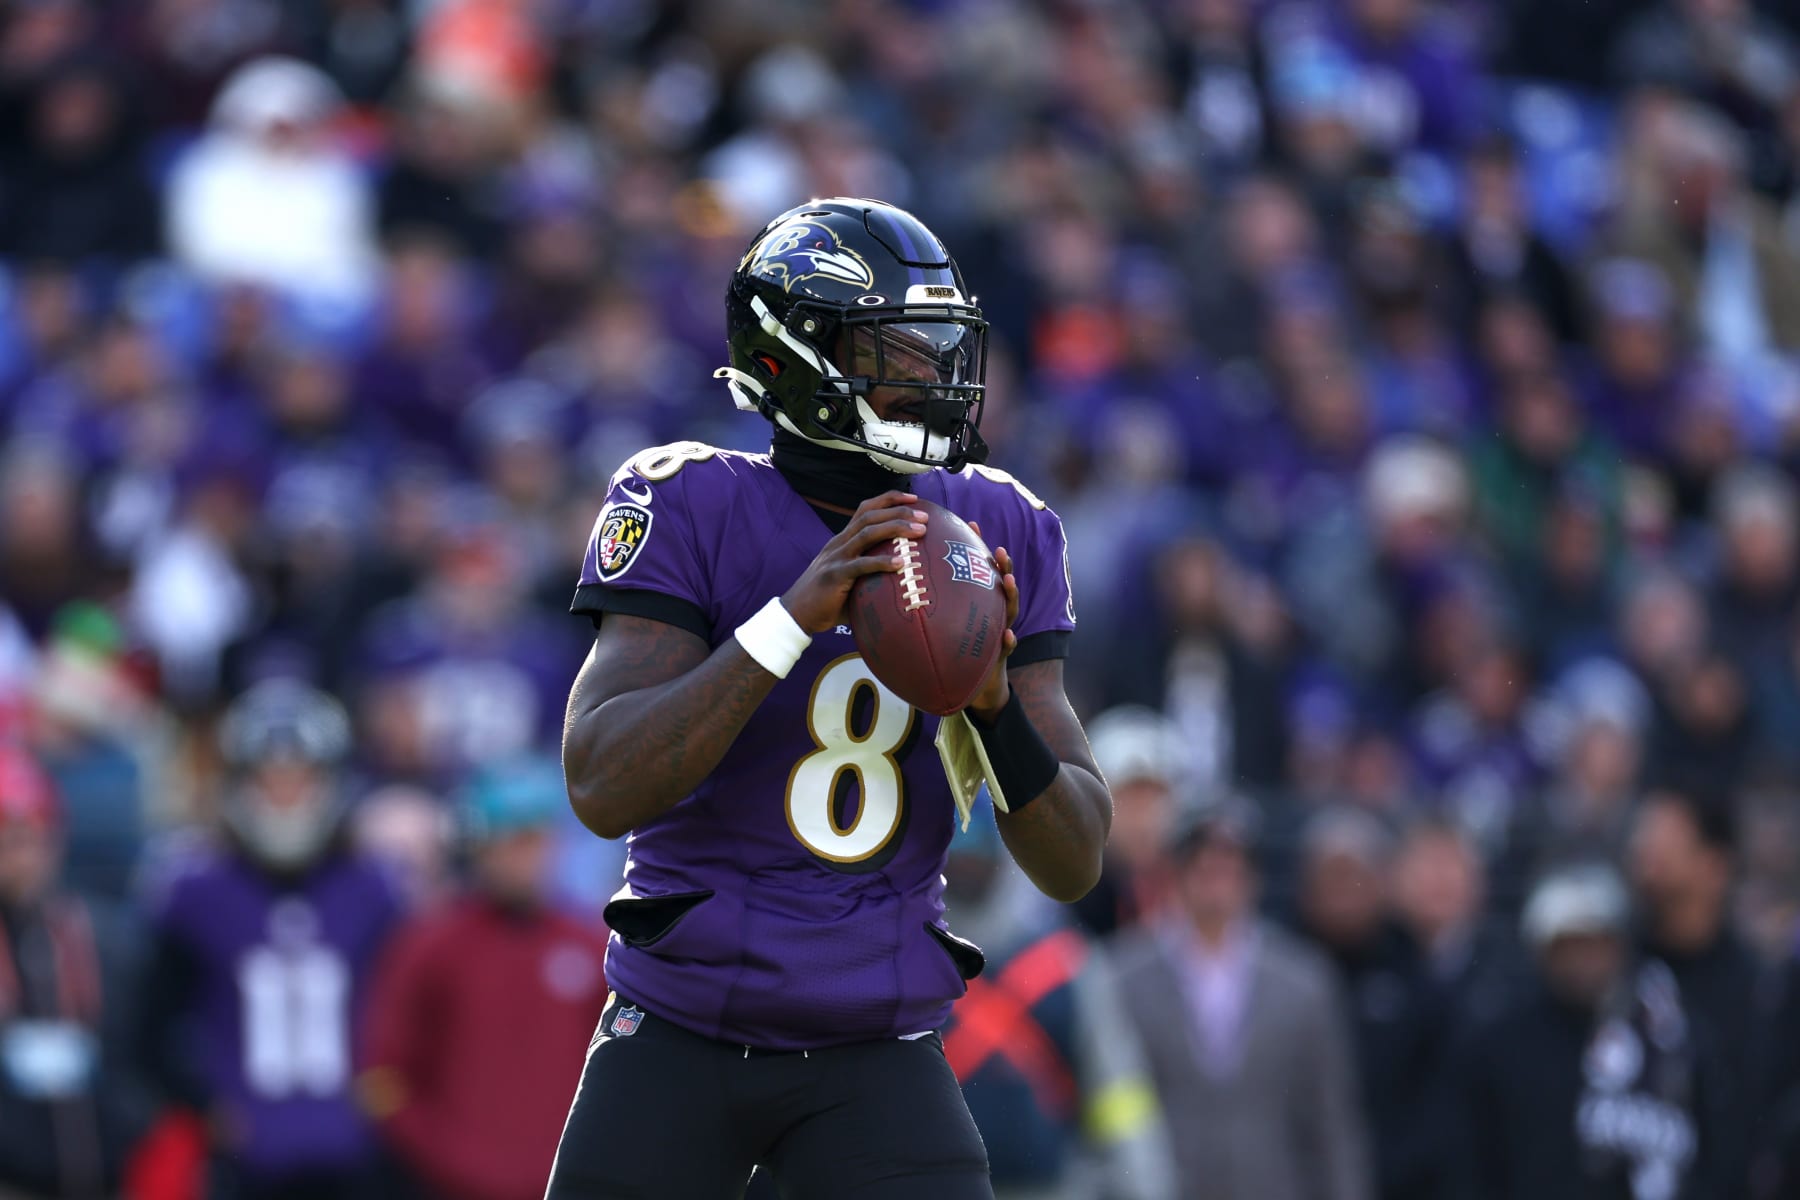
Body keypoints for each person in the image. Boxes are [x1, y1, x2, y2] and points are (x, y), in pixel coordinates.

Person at [548, 197, 1112, 1200]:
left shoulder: (999, 525)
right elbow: (600, 782)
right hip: (680, 1031)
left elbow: (1074, 862)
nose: (938, 377)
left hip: (875, 1043)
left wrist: (992, 707)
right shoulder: (688, 500)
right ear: (793, 355)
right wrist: (784, 622)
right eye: (899, 350)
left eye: (944, 348)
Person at [141, 679, 405, 1200]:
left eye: (300, 779)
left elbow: (410, 1017)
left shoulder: (374, 889)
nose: (286, 797)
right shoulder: (193, 890)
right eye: (270, 780)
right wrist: (204, 1105)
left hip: (354, 1156)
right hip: (241, 1162)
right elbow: (149, 1030)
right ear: (239, 785)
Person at [360, 757, 609, 1200]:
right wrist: (453, 1158)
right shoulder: (429, 945)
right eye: (512, 841)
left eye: (537, 839)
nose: (527, 856)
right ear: (479, 847)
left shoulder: (593, 946)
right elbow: (382, 1077)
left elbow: (618, 1072)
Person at [1110, 799, 1372, 1200]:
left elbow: (1330, 1123)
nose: (1217, 879)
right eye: (1202, 865)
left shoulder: (1304, 981)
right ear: (1177, 873)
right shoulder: (1122, 975)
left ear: (1254, 877)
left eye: (1231, 867)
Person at [938, 798, 1175, 1200]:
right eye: (957, 856)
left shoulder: (1066, 964)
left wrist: (1140, 1184)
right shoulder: (908, 965)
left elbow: (1117, 1094)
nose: (967, 866)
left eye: (978, 853)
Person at [1455, 863, 1733, 1200]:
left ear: (1619, 946)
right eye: (1569, 944)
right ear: (1542, 951)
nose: (1583, 960)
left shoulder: (1670, 1031)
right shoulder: (1501, 1045)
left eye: (1596, 943)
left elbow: (1718, 1153)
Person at [0, 744, 153, 1198]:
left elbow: (140, 1045)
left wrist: (131, 1122)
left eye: (33, 837)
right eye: (7, 841)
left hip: (103, 1176)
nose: (21, 858)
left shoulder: (100, 936)